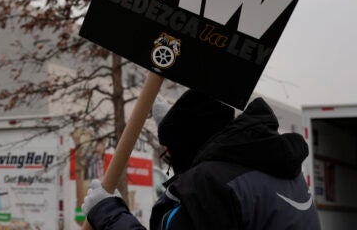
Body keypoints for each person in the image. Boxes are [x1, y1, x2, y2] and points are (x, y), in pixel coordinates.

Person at [82, 89, 320, 229]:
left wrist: (107, 213)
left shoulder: (209, 184)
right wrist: (173, 128)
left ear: (187, 149)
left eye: (169, 154)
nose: (171, 163)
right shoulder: (276, 165)